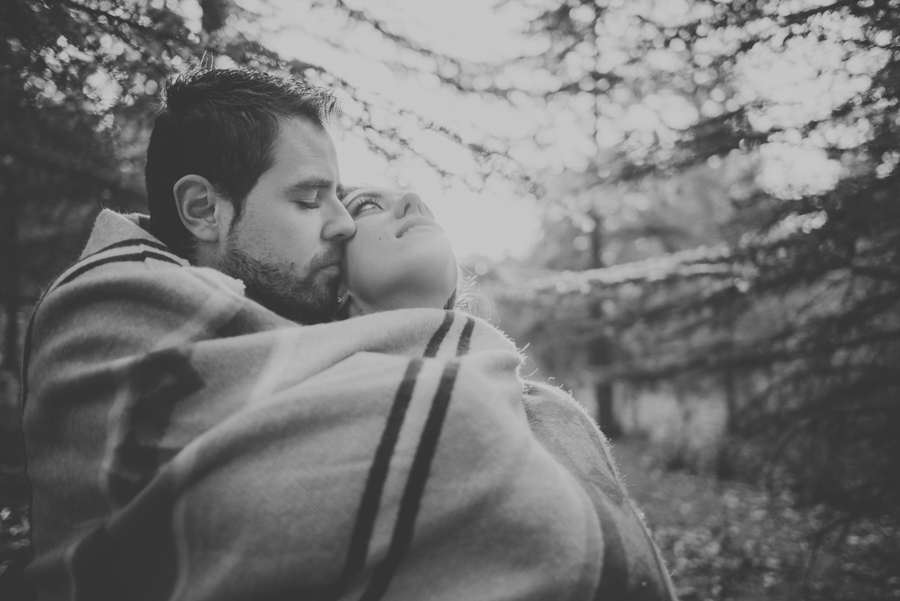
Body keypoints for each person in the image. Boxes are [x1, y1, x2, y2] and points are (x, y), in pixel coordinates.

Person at [21, 66, 676, 601]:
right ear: (203, 208)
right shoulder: (113, 310)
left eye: (341, 199)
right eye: (310, 199)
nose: (340, 225)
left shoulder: (315, 343)